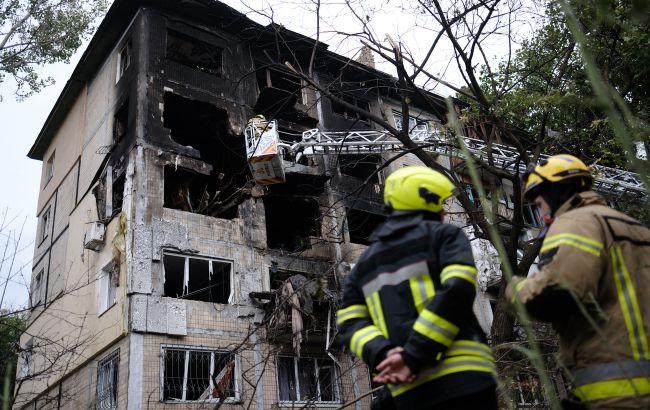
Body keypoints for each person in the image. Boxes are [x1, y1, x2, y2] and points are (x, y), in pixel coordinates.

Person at [336, 166, 497, 410]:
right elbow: (457, 290)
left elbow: (349, 323)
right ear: (426, 202)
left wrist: (384, 354)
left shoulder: (363, 265)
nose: (444, 211)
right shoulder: (445, 236)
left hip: (408, 390)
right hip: (464, 379)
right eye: (441, 204)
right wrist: (412, 355)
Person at [507, 154, 650, 409]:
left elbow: (556, 297)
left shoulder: (575, 223)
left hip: (618, 390)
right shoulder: (636, 227)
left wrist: (516, 289)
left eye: (539, 204)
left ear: (553, 193)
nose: (541, 215)